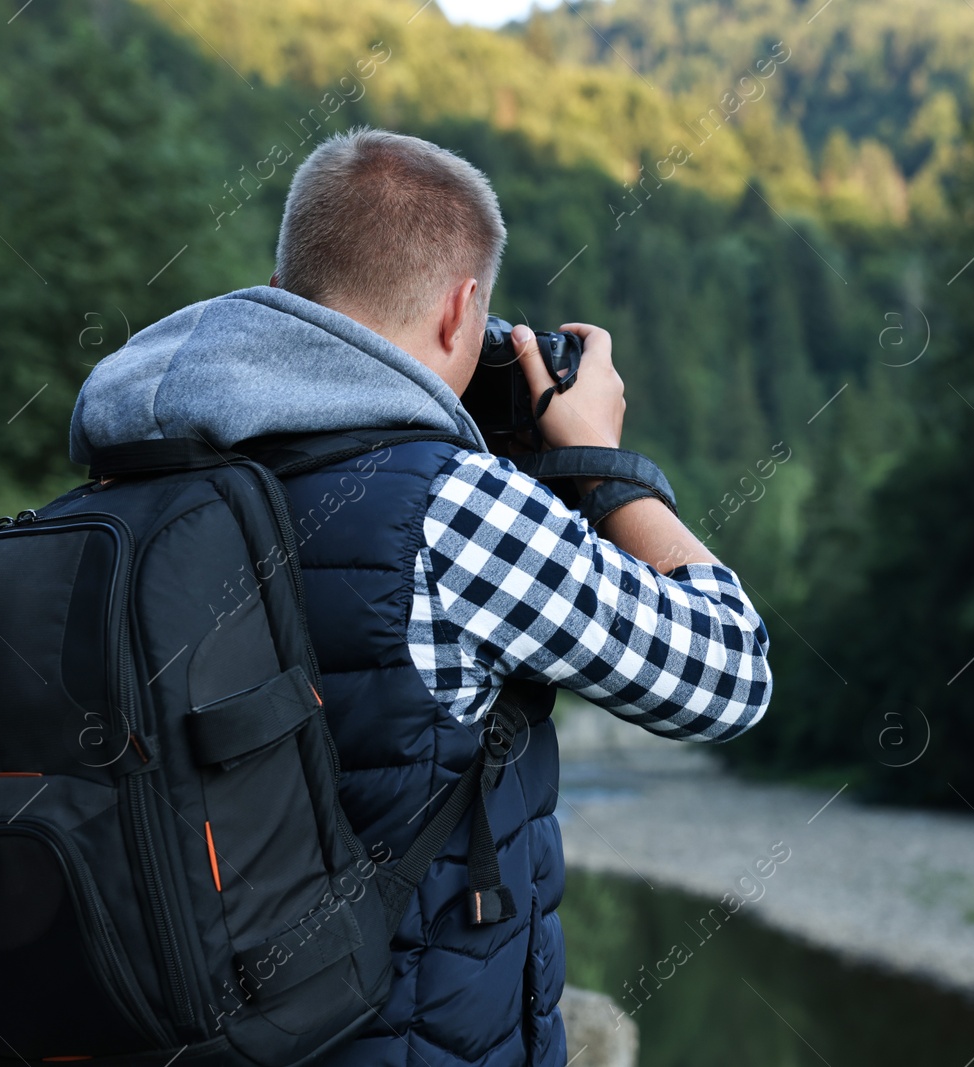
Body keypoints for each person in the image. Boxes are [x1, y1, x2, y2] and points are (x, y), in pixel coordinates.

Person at [68, 127, 772, 1066]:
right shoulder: (453, 508)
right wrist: (603, 471)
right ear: (461, 312)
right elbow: (728, 674)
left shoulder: (115, 489)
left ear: (286, 291)